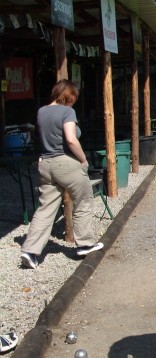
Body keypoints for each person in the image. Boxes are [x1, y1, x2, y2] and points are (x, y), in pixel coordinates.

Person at [20, 79, 103, 269]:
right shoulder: (68, 112)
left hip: (45, 164)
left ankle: (30, 251)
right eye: (73, 97)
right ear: (68, 95)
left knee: (45, 208)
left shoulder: (42, 111)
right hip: (66, 162)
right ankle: (85, 243)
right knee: (83, 200)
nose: (74, 101)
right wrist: (83, 159)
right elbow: (71, 140)